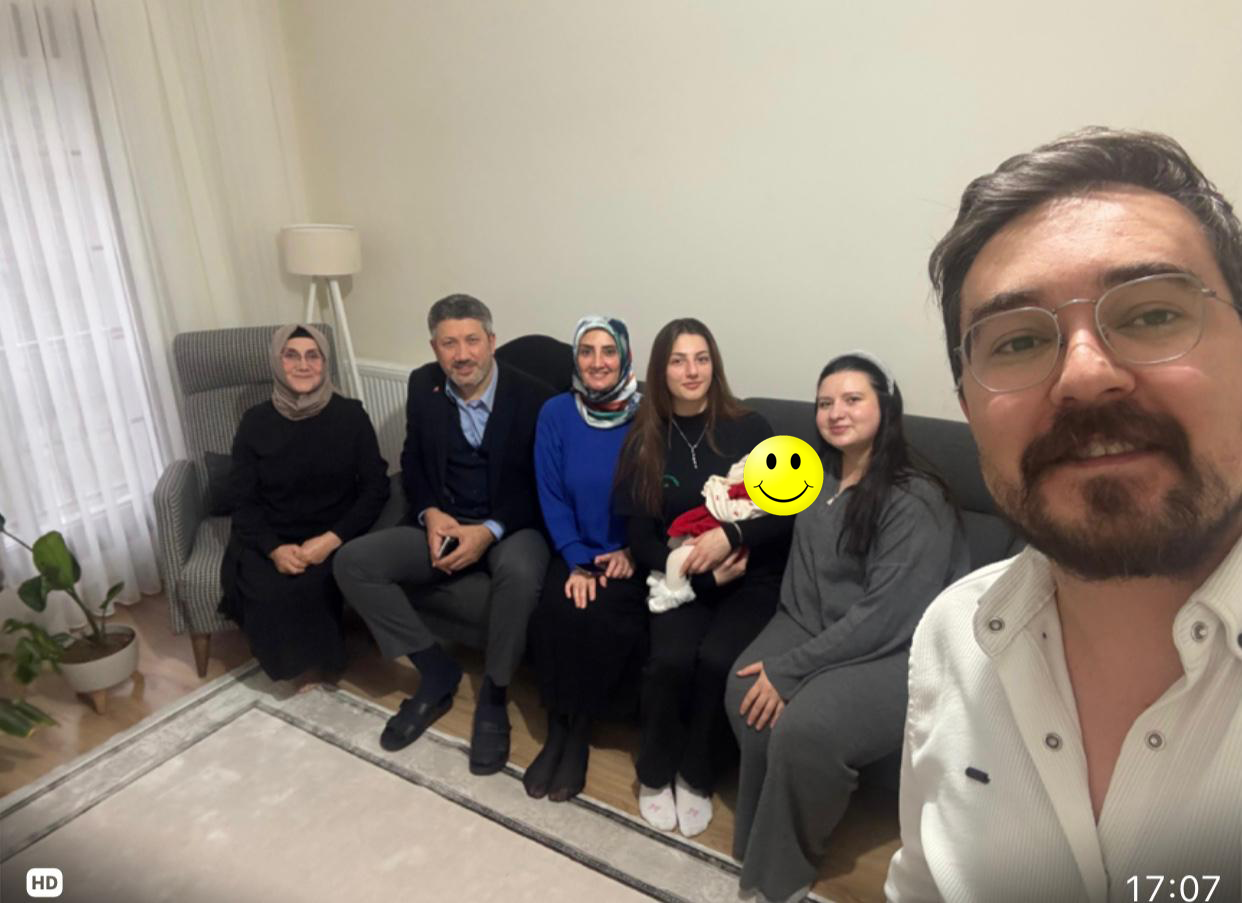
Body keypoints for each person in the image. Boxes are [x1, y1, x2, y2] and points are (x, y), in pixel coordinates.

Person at [885, 128, 1242, 901]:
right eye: (1017, 340)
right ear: (969, 406)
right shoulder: (953, 636)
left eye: (1152, 314)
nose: (1083, 374)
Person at [724, 352, 967, 902]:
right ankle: (758, 839)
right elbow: (758, 519)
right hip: (812, 622)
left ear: (885, 405)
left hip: (898, 648)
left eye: (852, 399)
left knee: (807, 728)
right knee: (744, 687)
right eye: (824, 403)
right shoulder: (816, 475)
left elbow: (886, 616)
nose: (836, 412)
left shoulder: (915, 498)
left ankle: (782, 872)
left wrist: (795, 669)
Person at [334, 295, 553, 774]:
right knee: (353, 562)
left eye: (472, 340)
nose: (462, 354)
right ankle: (436, 672)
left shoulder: (535, 398)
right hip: (446, 520)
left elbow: (544, 485)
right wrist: (430, 512)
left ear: (491, 342)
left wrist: (489, 531)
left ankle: (493, 694)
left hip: (512, 523)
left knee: (520, 574)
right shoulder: (423, 384)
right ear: (435, 348)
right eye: (449, 343)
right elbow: (413, 460)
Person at [614, 318, 793, 838]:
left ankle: (696, 773)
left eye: (701, 359)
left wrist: (730, 536)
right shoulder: (644, 439)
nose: (691, 371)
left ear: (715, 365)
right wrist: (698, 574)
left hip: (750, 577)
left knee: (718, 661)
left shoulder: (751, 428)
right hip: (683, 584)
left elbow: (787, 513)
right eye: (678, 361)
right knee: (669, 662)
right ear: (661, 370)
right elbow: (641, 539)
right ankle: (654, 772)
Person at [220, 324, 389, 685]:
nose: (302, 365)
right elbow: (242, 497)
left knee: (312, 586)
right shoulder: (254, 422)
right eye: (291, 355)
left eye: (313, 356)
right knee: (266, 589)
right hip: (271, 533)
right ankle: (290, 670)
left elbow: (376, 487)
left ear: (325, 363)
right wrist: (274, 549)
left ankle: (323, 668)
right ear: (276, 362)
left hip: (332, 531)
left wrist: (331, 540)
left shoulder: (351, 416)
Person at [523, 316, 644, 802]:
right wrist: (576, 559)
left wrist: (631, 552)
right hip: (572, 545)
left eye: (608, 351)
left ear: (624, 357)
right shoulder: (555, 412)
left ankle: (579, 734)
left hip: (627, 554)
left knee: (599, 618)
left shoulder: (648, 417)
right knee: (556, 611)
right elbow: (550, 493)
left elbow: (658, 496)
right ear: (575, 359)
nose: (597, 362)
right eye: (587, 351)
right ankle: (558, 728)